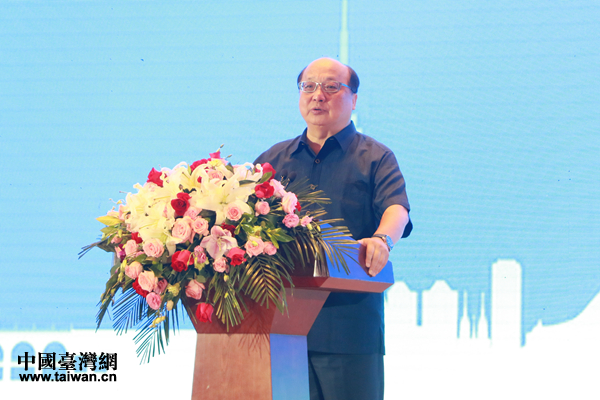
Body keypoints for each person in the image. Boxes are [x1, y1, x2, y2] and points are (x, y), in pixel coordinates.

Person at [254, 57, 412, 400]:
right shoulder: (273, 160)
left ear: (353, 99)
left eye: (330, 87)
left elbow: (396, 207)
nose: (317, 95)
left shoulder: (375, 157)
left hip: (348, 328)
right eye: (308, 86)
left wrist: (382, 239)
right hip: (279, 327)